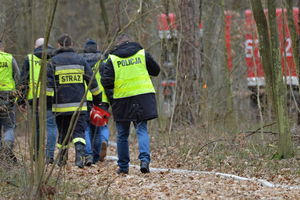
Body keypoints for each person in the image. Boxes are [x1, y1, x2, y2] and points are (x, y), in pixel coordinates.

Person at [100, 34, 160, 174]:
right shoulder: (141, 53)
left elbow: (106, 82)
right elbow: (156, 71)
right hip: (143, 97)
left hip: (122, 99)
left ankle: (123, 167)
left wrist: (112, 95)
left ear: (117, 44)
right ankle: (144, 161)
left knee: (122, 134)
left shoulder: (112, 59)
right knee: (142, 130)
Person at [47, 34, 102, 168]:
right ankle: (79, 157)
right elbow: (92, 82)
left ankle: (62, 159)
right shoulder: (80, 60)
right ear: (71, 44)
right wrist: (97, 100)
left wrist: (49, 105)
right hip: (79, 105)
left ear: (58, 45)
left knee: (63, 133)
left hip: (59, 106)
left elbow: (48, 87)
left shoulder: (53, 62)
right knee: (79, 132)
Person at [19, 38, 58, 164]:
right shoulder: (54, 58)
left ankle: (37, 154)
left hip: (34, 97)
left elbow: (24, 80)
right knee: (51, 126)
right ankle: (49, 155)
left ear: (36, 46)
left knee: (37, 127)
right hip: (51, 96)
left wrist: (21, 100)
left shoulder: (30, 58)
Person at [79, 39, 110, 166]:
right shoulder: (103, 61)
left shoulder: (80, 62)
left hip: (85, 99)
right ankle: (101, 146)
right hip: (101, 99)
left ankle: (88, 155)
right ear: (97, 48)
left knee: (86, 129)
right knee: (100, 127)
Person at [0, 39, 20, 163]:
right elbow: (17, 76)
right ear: (2, 46)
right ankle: (7, 147)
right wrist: (17, 95)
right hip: (7, 94)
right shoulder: (9, 58)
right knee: (9, 126)